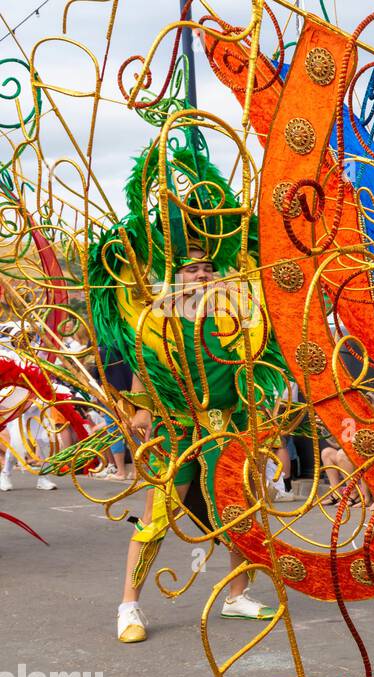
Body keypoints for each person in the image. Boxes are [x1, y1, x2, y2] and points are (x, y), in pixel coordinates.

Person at [87, 142, 290, 644]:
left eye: (207, 268)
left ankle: (237, 595)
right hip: (179, 435)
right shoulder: (155, 325)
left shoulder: (237, 318)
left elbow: (253, 369)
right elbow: (141, 388)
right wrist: (135, 416)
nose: (201, 274)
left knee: (240, 511)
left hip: (231, 429)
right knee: (156, 518)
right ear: (174, 275)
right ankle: (129, 607)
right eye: (191, 268)